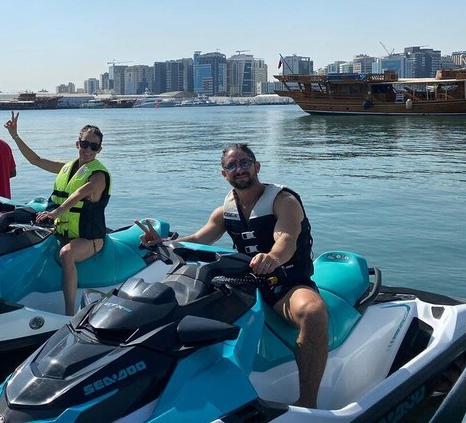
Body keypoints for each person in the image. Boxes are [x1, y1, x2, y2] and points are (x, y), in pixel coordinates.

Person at [138, 143, 328, 408]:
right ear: (223, 174)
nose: (239, 169)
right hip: (246, 284)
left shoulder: (283, 201)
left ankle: (309, 402)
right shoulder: (225, 211)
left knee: (313, 312)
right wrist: (163, 243)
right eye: (232, 166)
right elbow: (198, 239)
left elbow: (286, 239)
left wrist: (272, 257)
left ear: (256, 166)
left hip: (287, 284)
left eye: (244, 163)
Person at [4, 111, 110, 316]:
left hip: (90, 237)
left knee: (66, 254)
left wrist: (56, 212)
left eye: (94, 147)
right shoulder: (67, 167)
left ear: (99, 149)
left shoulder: (98, 176)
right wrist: (15, 136)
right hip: (62, 231)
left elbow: (80, 193)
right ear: (77, 144)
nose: (88, 150)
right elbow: (36, 159)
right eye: (85, 144)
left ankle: (68, 313)